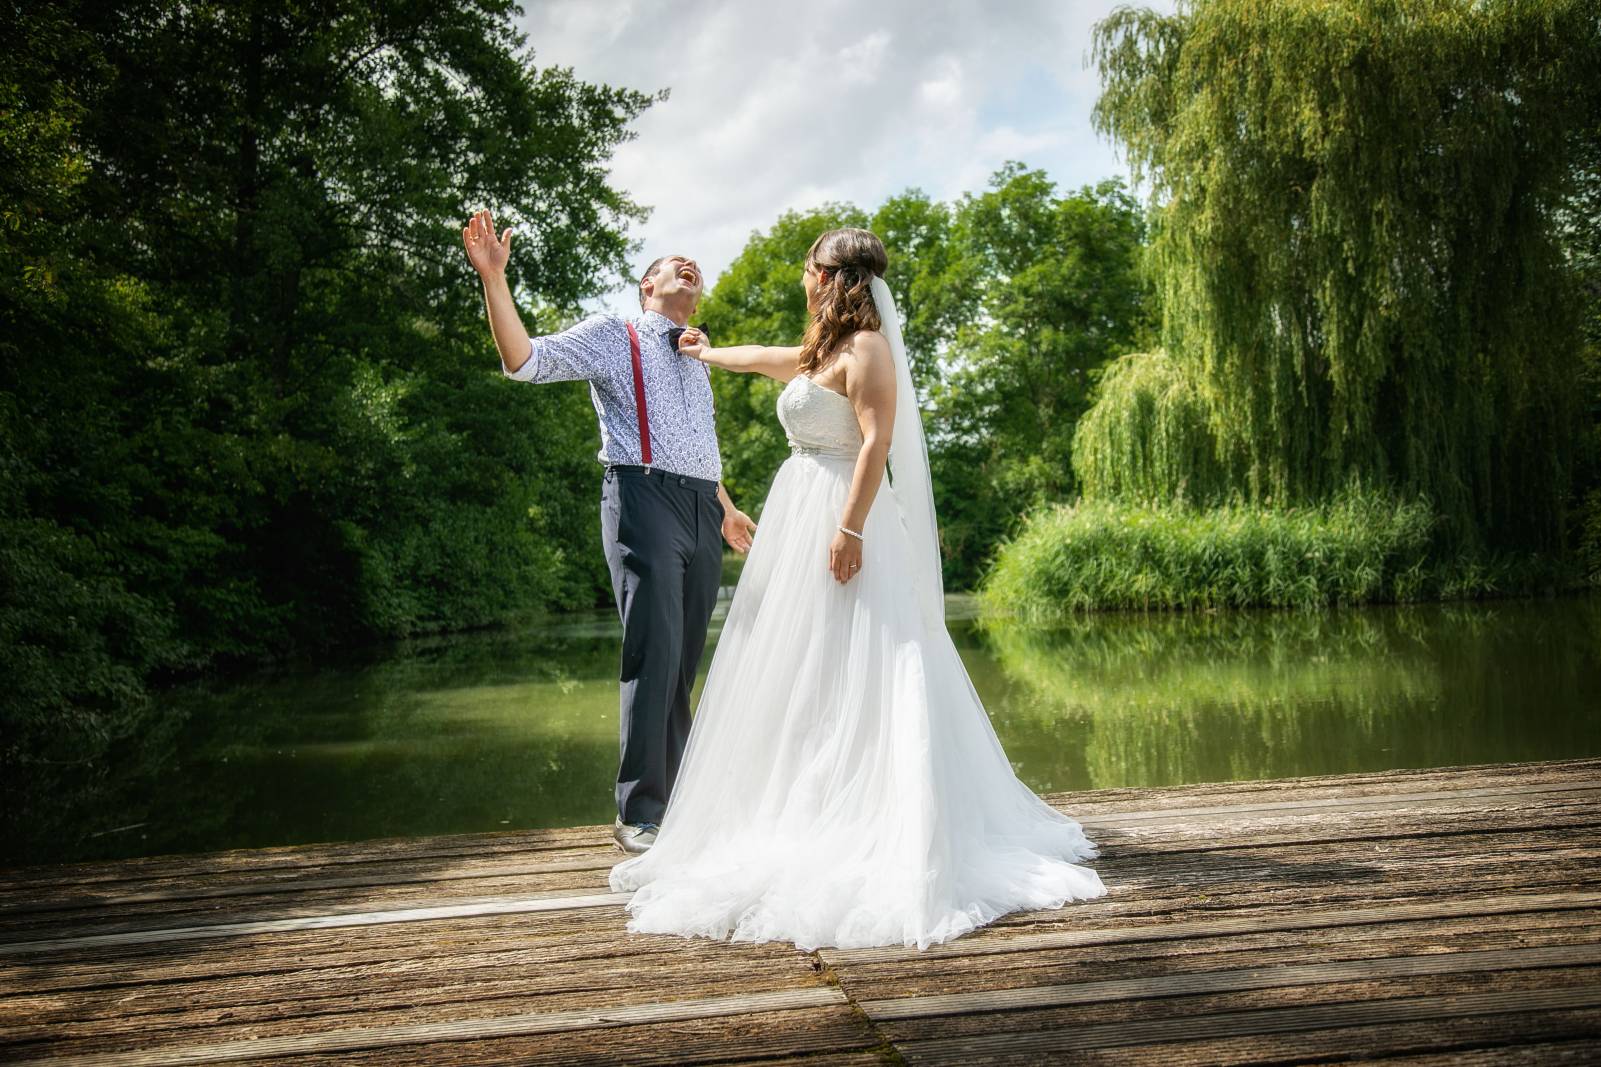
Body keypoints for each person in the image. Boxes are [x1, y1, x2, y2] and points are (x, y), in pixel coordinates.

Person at [607, 228, 1106, 951]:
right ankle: (804, 799)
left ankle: (880, 812)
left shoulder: (869, 348)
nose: (803, 277)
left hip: (844, 512)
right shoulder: (823, 349)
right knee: (802, 666)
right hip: (798, 509)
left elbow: (874, 441)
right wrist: (708, 352)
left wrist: (851, 528)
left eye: (808, 268)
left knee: (868, 661)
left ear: (826, 275)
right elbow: (774, 363)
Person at [460, 209, 757, 855]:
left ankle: (677, 804)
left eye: (696, 269)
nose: (690, 269)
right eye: (674, 264)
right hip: (641, 494)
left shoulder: (698, 355)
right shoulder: (612, 333)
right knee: (654, 655)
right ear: (646, 285)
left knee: (681, 664)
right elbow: (524, 361)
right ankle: (640, 812)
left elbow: (699, 445)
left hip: (702, 505)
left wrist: (727, 508)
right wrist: (493, 280)